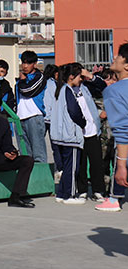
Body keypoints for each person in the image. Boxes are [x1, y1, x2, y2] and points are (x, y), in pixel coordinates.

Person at [48, 63, 86, 204]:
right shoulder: (68, 90)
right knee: (72, 167)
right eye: (79, 76)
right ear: (71, 77)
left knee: (66, 166)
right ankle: (70, 195)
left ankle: (61, 193)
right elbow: (74, 111)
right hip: (70, 135)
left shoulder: (59, 89)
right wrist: (83, 122)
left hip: (60, 135)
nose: (80, 79)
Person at [97, 43, 128, 212]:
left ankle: (114, 198)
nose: (114, 58)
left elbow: (123, 130)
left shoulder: (115, 91)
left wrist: (121, 165)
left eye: (119, 56)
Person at [76, 68, 105, 201]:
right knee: (81, 163)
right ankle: (82, 190)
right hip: (77, 132)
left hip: (92, 130)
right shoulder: (67, 90)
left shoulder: (87, 87)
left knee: (96, 162)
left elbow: (102, 86)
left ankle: (98, 190)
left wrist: (90, 76)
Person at [15, 51, 47, 164]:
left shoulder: (39, 77)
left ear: (34, 64)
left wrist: (23, 81)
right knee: (25, 155)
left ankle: (41, 174)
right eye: (23, 63)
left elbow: (27, 91)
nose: (25, 66)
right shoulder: (21, 79)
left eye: (28, 63)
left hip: (34, 116)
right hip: (20, 117)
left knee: (38, 153)